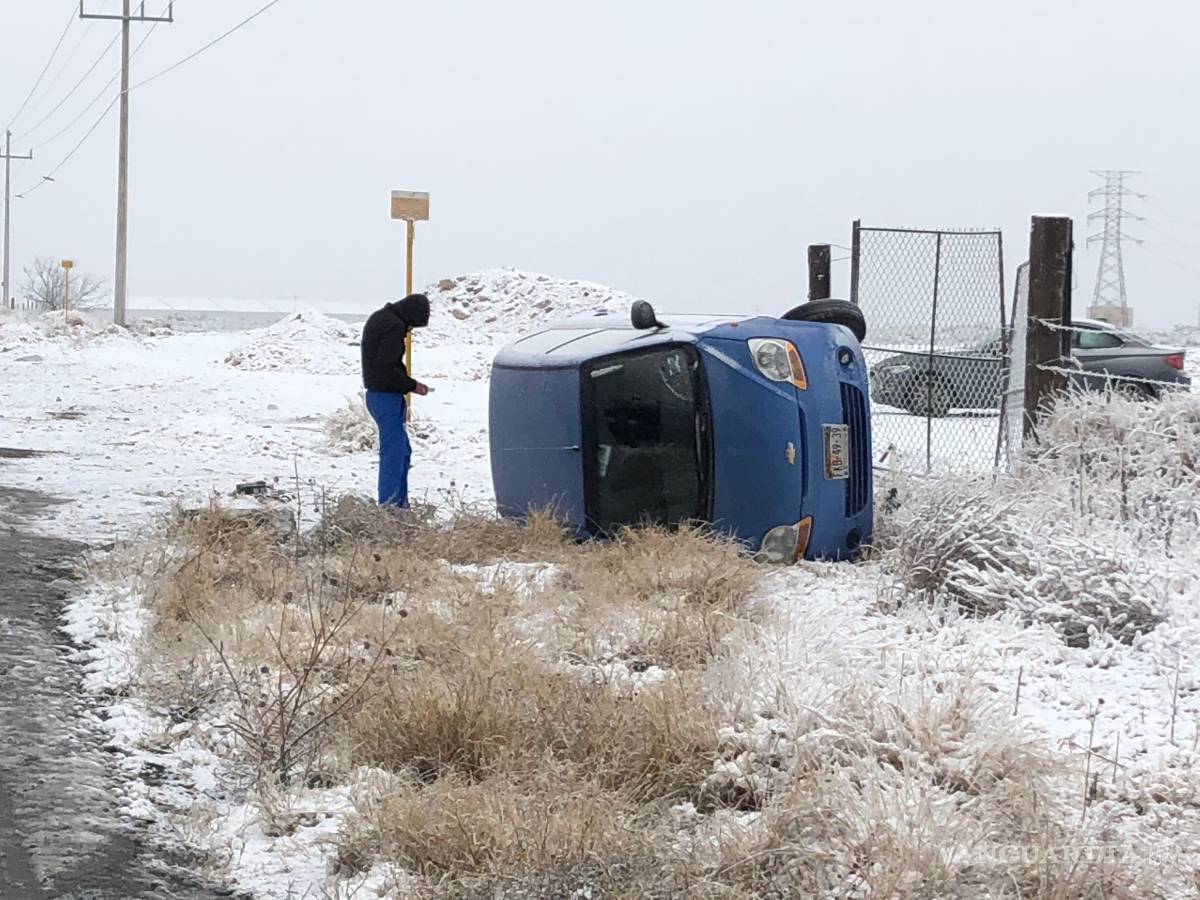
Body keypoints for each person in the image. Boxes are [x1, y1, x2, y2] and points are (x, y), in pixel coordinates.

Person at [361, 293, 431, 506]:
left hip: (379, 394)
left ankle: (399, 504)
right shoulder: (393, 326)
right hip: (385, 396)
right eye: (411, 327)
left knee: (402, 451)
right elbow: (387, 366)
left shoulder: (382, 317)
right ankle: (390, 506)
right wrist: (412, 385)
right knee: (394, 454)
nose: (409, 331)